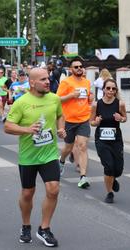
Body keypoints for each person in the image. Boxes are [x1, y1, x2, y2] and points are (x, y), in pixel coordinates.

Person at [4, 68, 66, 247]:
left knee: (53, 189)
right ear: (32, 82)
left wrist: (61, 129)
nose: (48, 81)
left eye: (48, 78)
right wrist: (27, 129)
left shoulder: (54, 99)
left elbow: (60, 116)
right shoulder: (21, 102)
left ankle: (44, 228)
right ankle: (25, 225)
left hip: (49, 154)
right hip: (28, 156)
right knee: (27, 193)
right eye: (43, 79)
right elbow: (8, 126)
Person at [56, 58, 93, 188]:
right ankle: (61, 161)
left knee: (82, 146)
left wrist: (90, 100)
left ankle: (83, 177)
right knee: (68, 147)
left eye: (80, 66)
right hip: (69, 120)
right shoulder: (66, 82)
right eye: (76, 67)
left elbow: (87, 100)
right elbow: (58, 99)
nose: (79, 69)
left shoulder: (87, 82)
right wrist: (71, 95)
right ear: (71, 69)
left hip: (83, 119)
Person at [90, 79, 127, 203]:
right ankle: (109, 193)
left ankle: (112, 178)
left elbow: (125, 118)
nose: (111, 91)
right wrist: (96, 122)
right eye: (108, 88)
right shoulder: (96, 105)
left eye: (113, 88)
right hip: (101, 140)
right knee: (109, 166)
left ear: (116, 90)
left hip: (116, 139)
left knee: (118, 169)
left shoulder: (120, 104)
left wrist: (120, 118)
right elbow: (91, 122)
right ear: (103, 89)